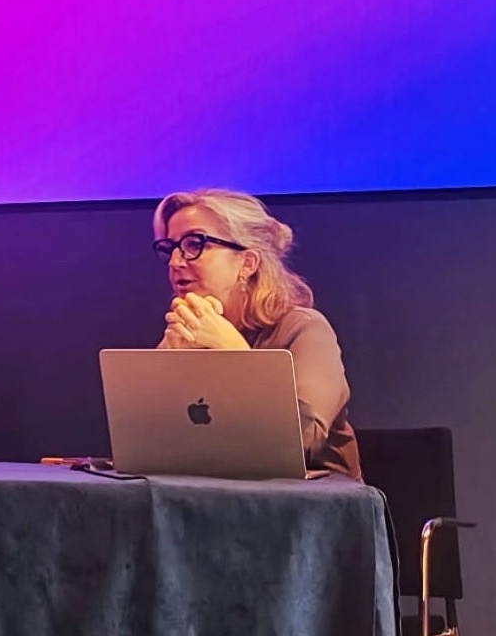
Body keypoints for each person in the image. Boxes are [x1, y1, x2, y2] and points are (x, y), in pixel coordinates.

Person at [152, 188, 360, 479]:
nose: (175, 262)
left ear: (247, 263)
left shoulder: (304, 329)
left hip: (306, 502)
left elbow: (302, 439)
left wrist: (235, 355)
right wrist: (164, 365)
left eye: (194, 244)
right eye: (170, 248)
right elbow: (150, 441)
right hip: (208, 494)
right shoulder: (186, 334)